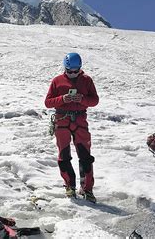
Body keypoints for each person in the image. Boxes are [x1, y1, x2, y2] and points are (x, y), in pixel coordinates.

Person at [44, 53, 99, 202]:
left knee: (85, 156)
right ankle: (69, 186)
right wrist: (62, 99)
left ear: (80, 68)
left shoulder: (87, 80)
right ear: (65, 68)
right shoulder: (57, 81)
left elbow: (95, 100)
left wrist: (82, 99)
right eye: (70, 71)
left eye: (76, 71)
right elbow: (48, 102)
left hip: (80, 121)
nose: (73, 74)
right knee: (64, 155)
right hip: (62, 121)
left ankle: (87, 189)